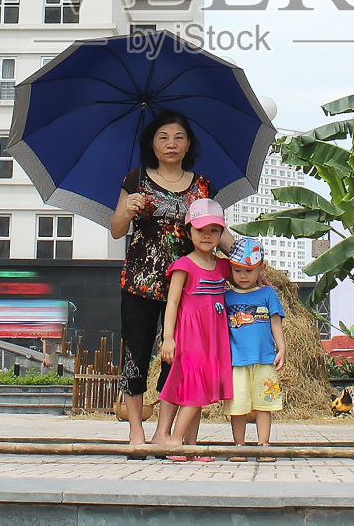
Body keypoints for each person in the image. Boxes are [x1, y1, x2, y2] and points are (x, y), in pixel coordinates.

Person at [108, 110, 216, 447]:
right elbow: (116, 230)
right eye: (163, 137)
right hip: (138, 281)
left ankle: (163, 432)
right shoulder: (135, 179)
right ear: (152, 144)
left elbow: (215, 230)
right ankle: (136, 430)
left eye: (179, 137)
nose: (171, 143)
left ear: (188, 145)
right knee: (135, 354)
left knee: (178, 357)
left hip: (185, 286)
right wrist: (127, 209)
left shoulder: (202, 186)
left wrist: (246, 253)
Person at [153, 198, 233, 460]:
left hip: (214, 337)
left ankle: (191, 445)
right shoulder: (183, 265)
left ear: (221, 233)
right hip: (190, 336)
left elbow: (246, 274)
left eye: (213, 230)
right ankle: (175, 440)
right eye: (200, 230)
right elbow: (173, 302)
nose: (207, 236)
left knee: (200, 389)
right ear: (188, 233)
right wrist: (168, 338)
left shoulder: (223, 266)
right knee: (195, 388)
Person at [222, 237, 285, 460]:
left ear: (261, 268)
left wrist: (282, 349)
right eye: (237, 270)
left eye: (249, 270)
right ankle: (239, 446)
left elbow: (275, 322)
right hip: (236, 362)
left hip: (265, 360)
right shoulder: (226, 297)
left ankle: (263, 445)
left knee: (263, 404)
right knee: (237, 405)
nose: (242, 275)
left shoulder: (268, 294)